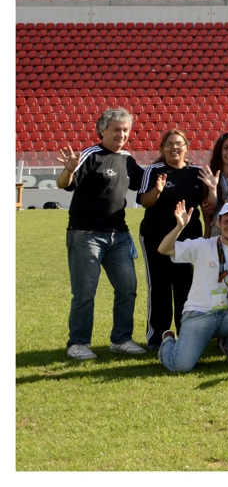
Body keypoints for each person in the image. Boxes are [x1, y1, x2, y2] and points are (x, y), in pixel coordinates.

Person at [57, 107, 147, 360]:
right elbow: (63, 184)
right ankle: (78, 343)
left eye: (126, 130)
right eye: (116, 129)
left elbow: (147, 183)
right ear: (102, 131)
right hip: (86, 235)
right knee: (85, 292)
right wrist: (68, 170)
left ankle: (121, 340)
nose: (122, 134)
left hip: (118, 236)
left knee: (128, 288)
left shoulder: (128, 159)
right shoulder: (90, 155)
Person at [156, 200, 228, 371]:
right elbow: (163, 249)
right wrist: (180, 226)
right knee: (180, 366)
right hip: (200, 313)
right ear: (218, 222)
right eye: (227, 221)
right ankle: (168, 340)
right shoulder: (203, 245)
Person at [136, 129, 216, 349]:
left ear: (186, 147)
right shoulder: (153, 170)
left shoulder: (197, 173)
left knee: (187, 287)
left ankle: (187, 332)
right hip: (156, 238)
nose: (174, 148)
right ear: (162, 148)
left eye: (179, 143)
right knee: (159, 287)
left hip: (188, 240)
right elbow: (144, 201)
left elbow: (207, 207)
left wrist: (208, 231)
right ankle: (157, 337)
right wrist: (156, 191)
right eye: (169, 144)